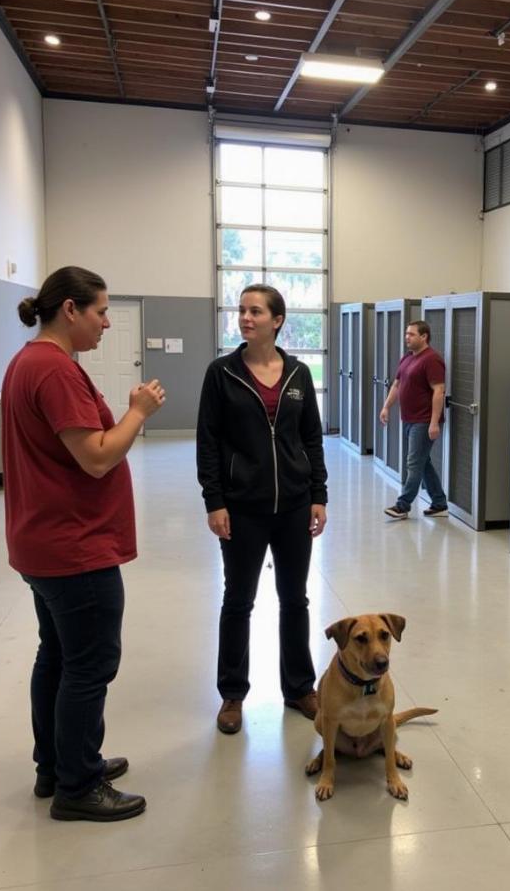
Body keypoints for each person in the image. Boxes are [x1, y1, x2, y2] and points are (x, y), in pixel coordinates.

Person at [2, 266, 165, 822]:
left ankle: (58, 764)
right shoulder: (54, 372)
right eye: (100, 311)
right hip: (73, 547)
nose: (106, 322)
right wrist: (137, 413)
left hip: (41, 542)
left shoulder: (29, 363)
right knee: (90, 665)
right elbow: (96, 457)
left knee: (58, 655)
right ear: (69, 310)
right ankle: (78, 785)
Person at [197, 284, 328, 735]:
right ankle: (232, 695)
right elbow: (208, 443)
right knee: (238, 600)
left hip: (293, 505)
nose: (245, 317)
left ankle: (299, 688)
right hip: (243, 508)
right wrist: (215, 501)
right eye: (242, 310)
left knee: (295, 599)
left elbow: (312, 437)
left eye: (256, 311)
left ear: (277, 320)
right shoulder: (222, 374)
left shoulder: (298, 374)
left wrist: (318, 494)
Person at [380, 320, 448, 520]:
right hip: (409, 418)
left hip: (424, 420)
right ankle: (439, 503)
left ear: (424, 336)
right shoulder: (408, 358)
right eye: (406, 334)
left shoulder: (432, 359)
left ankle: (403, 505)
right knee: (422, 461)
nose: (407, 337)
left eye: (411, 334)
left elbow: (439, 391)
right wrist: (386, 406)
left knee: (414, 463)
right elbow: (397, 384)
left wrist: (434, 422)